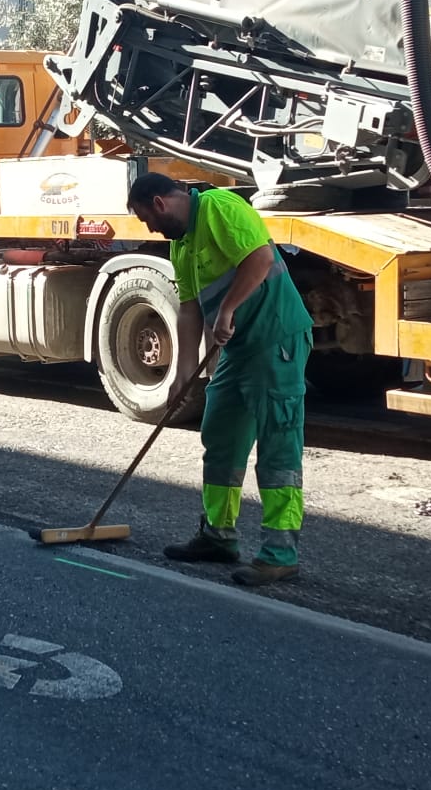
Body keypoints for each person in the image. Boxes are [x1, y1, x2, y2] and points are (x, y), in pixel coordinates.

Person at [126, 173, 314, 586]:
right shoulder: (181, 244)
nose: (150, 228)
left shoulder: (219, 208)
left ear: (159, 203)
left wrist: (227, 309)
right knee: (220, 435)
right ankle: (218, 536)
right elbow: (189, 310)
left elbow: (260, 260)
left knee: (277, 446)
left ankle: (280, 553)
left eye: (146, 219)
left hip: (274, 339)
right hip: (239, 349)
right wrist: (181, 376)